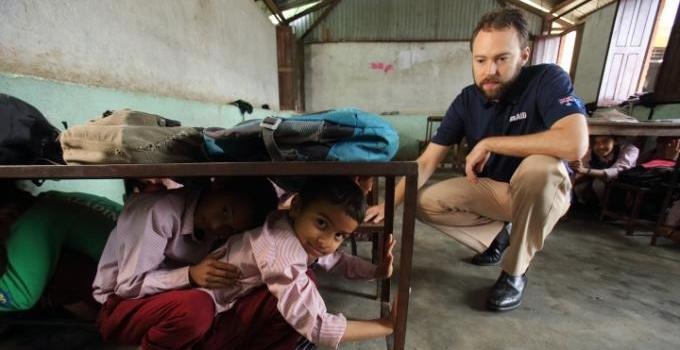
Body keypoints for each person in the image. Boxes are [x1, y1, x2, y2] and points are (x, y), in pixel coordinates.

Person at [364, 8, 588, 312]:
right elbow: (427, 161)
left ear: (524, 55)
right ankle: (498, 236)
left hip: (543, 192)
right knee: (420, 199)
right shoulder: (467, 100)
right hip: (496, 192)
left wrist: (491, 143)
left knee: (540, 168)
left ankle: (514, 273)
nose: (490, 70)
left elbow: (575, 144)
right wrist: (388, 205)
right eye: (481, 60)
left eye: (501, 59)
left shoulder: (547, 79)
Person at [93, 177, 302, 349]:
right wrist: (190, 275)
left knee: (287, 298)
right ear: (216, 185)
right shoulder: (157, 212)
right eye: (224, 211)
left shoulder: (222, 234)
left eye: (229, 229)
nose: (216, 225)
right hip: (123, 307)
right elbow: (128, 287)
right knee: (197, 306)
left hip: (189, 315)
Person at [200, 176, 396, 349]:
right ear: (296, 207)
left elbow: (334, 260)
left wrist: (376, 271)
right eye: (321, 223)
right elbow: (318, 327)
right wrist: (386, 325)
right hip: (211, 324)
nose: (326, 241)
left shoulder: (289, 225)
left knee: (300, 296)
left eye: (339, 235)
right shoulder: (283, 256)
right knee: (302, 305)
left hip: (225, 307)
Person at [0, 181, 122, 320]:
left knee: (57, 272)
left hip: (128, 292)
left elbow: (19, 296)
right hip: (132, 273)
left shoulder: (36, 222)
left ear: (7, 213)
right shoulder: (51, 199)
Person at [570, 135, 639, 206]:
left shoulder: (630, 150)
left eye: (605, 141)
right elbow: (580, 171)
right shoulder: (591, 152)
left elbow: (615, 172)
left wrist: (585, 170)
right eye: (596, 142)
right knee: (579, 187)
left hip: (622, 183)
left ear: (615, 141)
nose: (600, 146)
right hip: (596, 180)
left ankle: (612, 208)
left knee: (598, 185)